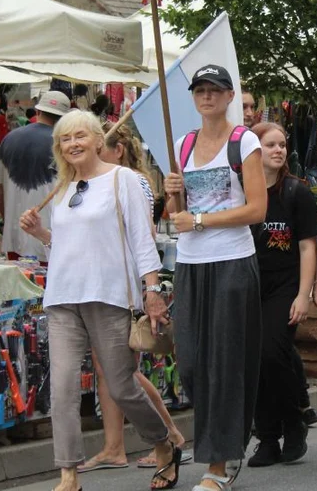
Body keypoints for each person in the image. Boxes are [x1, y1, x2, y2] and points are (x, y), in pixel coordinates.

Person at [19, 110, 178, 491]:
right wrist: (42, 234)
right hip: (62, 297)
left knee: (122, 387)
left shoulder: (125, 180)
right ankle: (68, 474)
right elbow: (69, 246)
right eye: (64, 140)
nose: (72, 144)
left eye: (79, 136)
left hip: (108, 296)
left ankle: (163, 442)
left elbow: (142, 238)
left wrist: (152, 290)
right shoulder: (63, 188)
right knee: (62, 386)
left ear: (96, 139)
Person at [163, 64, 266, 491]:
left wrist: (200, 219)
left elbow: (257, 210)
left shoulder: (245, 141)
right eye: (200, 90)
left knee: (223, 364)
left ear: (229, 97)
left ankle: (218, 465)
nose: (207, 97)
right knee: (190, 362)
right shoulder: (183, 142)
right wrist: (171, 192)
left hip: (232, 261)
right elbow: (175, 215)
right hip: (190, 264)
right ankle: (221, 442)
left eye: (215, 90)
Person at [78, 121, 190, 474]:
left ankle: (169, 432)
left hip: (123, 283)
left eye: (99, 149)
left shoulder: (132, 181)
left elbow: (142, 234)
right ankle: (115, 446)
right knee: (107, 367)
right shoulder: (99, 181)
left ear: (117, 150)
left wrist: (148, 286)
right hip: (102, 280)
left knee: (120, 371)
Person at [246, 122, 317, 467]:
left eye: (282, 145)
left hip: (285, 285)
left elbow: (307, 247)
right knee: (255, 361)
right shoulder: (242, 192)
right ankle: (267, 438)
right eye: (270, 144)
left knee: (272, 352)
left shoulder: (297, 193)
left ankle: (294, 421)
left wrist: (303, 294)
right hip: (248, 285)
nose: (278, 150)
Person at [0, 91, 70, 261]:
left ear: (38, 112)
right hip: (50, 239)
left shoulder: (9, 139)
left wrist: (8, 216)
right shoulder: (64, 146)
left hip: (14, 236)